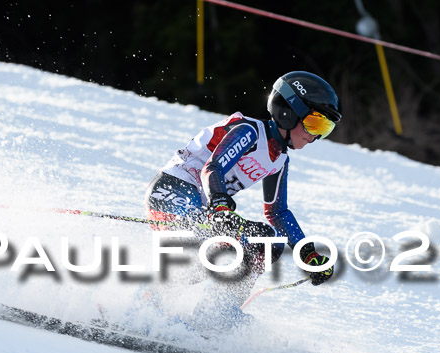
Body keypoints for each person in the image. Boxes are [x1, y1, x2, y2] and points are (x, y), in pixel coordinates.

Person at [143, 71, 342, 330]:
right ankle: (146, 304)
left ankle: (214, 316)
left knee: (266, 242)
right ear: (288, 112)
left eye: (325, 129)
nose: (315, 136)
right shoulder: (249, 132)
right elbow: (212, 168)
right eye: (315, 124)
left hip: (209, 209)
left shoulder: (279, 159)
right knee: (201, 243)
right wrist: (220, 205)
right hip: (171, 192)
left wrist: (307, 253)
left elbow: (278, 212)